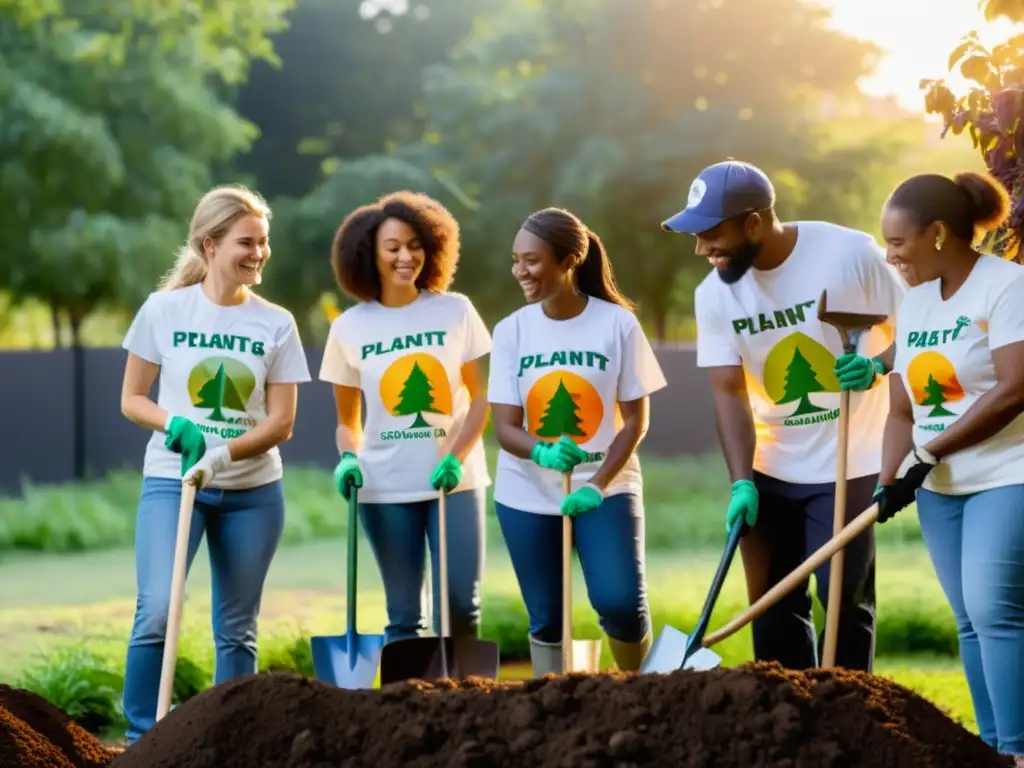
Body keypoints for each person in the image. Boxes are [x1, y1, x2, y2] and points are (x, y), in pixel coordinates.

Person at [662, 160, 907, 672]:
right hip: (771, 467)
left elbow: (924, 325)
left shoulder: (848, 255)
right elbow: (729, 392)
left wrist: (879, 365)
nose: (701, 248)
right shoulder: (714, 295)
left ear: (754, 223)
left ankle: (847, 714)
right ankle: (786, 725)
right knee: (771, 605)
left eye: (712, 233)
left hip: (851, 459)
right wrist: (740, 482)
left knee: (841, 600)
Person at [118, 184, 312, 743]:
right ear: (210, 244)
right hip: (172, 483)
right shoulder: (164, 310)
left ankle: (232, 743)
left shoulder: (276, 322)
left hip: (253, 492)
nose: (259, 253)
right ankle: (139, 740)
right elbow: (132, 398)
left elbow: (281, 424)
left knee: (236, 630)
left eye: (264, 242)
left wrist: (221, 454)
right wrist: (171, 424)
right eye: (246, 242)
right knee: (156, 611)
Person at [875, 170, 1024, 764]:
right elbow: (900, 410)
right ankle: (988, 750)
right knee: (967, 618)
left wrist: (930, 454)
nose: (890, 257)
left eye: (898, 243)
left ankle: (1016, 751)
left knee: (995, 609)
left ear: (937, 233)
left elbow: (1015, 389)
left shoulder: (1006, 286)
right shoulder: (913, 305)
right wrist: (889, 480)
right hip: (937, 486)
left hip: (1006, 472)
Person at [487, 207, 667, 676]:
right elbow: (504, 428)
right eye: (515, 260)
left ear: (569, 260)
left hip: (603, 488)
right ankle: (553, 715)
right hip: (526, 491)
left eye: (532, 260)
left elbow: (634, 422)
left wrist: (598, 484)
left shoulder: (618, 325)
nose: (520, 271)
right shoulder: (512, 330)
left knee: (621, 603)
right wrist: (541, 450)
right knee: (548, 619)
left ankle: (636, 690)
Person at [319, 190, 491, 645]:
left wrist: (456, 456)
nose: (405, 256)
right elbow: (345, 422)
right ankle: (405, 713)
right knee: (403, 616)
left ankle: (468, 709)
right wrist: (349, 459)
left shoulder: (456, 310)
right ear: (368, 254)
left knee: (460, 606)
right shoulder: (349, 327)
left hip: (455, 482)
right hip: (384, 488)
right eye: (392, 246)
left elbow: (480, 399)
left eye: (415, 245)